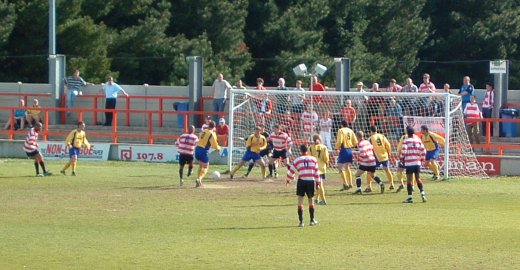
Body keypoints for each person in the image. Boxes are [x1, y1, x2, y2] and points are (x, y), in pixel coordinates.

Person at [286, 144, 320, 227]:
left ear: (300, 151)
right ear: (307, 150)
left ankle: (301, 222)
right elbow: (316, 172)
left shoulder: (297, 160)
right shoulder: (313, 159)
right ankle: (312, 220)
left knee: (300, 201)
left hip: (301, 181)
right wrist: (318, 183)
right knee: (311, 200)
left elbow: (291, 171)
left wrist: (288, 179)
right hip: (310, 181)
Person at [352, 130, 385, 195]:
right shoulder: (367, 141)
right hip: (372, 161)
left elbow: (363, 153)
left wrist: (359, 160)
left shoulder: (360, 144)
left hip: (366, 162)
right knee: (372, 175)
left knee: (357, 175)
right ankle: (381, 183)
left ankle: (359, 189)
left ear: (357, 137)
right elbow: (372, 148)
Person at [401, 126, 427, 203]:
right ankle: (422, 193)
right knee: (418, 178)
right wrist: (422, 158)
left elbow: (404, 151)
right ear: (413, 133)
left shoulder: (406, 141)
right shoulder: (418, 141)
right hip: (417, 162)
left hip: (409, 163)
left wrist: (401, 158)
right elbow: (423, 150)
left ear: (407, 133)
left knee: (409, 180)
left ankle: (410, 197)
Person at [194, 120, 221, 187]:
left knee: (201, 165)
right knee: (206, 166)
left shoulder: (204, 131)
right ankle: (199, 179)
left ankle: (198, 179)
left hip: (197, 149)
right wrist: (218, 148)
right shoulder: (212, 134)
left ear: (208, 126)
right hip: (203, 150)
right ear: (214, 127)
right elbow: (214, 145)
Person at [368, 126, 394, 191]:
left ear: (371, 131)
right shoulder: (382, 136)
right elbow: (388, 145)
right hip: (384, 156)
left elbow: (368, 148)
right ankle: (392, 184)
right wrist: (389, 152)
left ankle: (369, 187)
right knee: (387, 170)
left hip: (376, 157)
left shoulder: (370, 138)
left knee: (369, 172)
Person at [336, 120, 358, 191]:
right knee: (347, 167)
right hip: (349, 150)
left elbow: (340, 141)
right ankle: (350, 183)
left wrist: (337, 147)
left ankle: (345, 184)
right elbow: (355, 142)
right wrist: (352, 145)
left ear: (342, 125)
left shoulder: (341, 130)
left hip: (344, 149)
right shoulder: (350, 131)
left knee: (339, 167)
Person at [309, 134, 329, 205]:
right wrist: (327, 163)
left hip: (314, 168)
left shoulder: (310, 147)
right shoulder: (324, 147)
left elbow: (309, 157)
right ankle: (317, 199)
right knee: (319, 184)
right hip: (321, 167)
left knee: (319, 184)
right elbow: (326, 158)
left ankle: (323, 200)